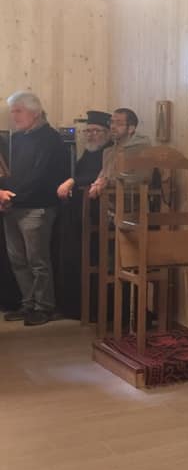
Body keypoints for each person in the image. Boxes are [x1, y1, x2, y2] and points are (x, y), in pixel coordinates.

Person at [0, 91, 68, 326]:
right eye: (13, 111)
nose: (14, 116)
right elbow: (9, 174)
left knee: (38, 262)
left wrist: (11, 197)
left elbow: (41, 177)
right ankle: (28, 303)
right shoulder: (17, 138)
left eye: (18, 111)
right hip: (13, 206)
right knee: (18, 260)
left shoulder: (51, 139)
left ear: (35, 112)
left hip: (37, 207)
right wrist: (3, 194)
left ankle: (44, 307)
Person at [54, 110, 111, 320]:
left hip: (96, 216)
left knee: (92, 260)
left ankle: (94, 310)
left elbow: (97, 176)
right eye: (88, 131)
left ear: (107, 133)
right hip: (79, 214)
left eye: (96, 131)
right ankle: (73, 307)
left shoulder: (109, 152)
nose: (91, 135)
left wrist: (72, 181)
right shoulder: (88, 152)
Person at [87, 108, 151, 198]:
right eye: (112, 122)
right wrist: (97, 183)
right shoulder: (108, 151)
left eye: (118, 123)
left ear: (131, 128)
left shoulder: (142, 148)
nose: (113, 127)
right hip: (109, 201)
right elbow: (102, 176)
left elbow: (142, 178)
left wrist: (108, 182)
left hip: (134, 203)